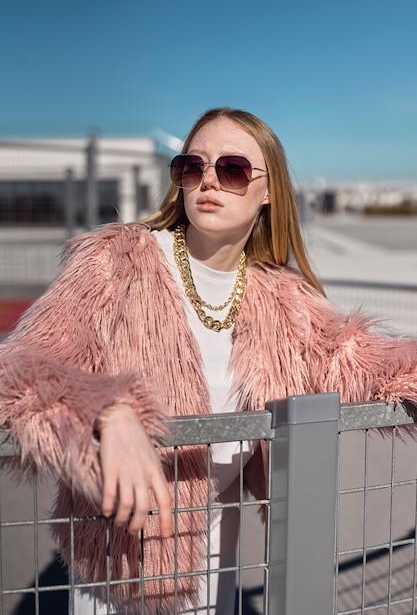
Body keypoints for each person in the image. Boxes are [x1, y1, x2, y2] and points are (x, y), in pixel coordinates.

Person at [0, 107, 416, 615]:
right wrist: (109, 410)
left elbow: (362, 360)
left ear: (269, 192)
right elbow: (22, 369)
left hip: (217, 549)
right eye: (191, 167)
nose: (208, 181)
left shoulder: (282, 298)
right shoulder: (115, 262)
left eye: (233, 169)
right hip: (118, 563)